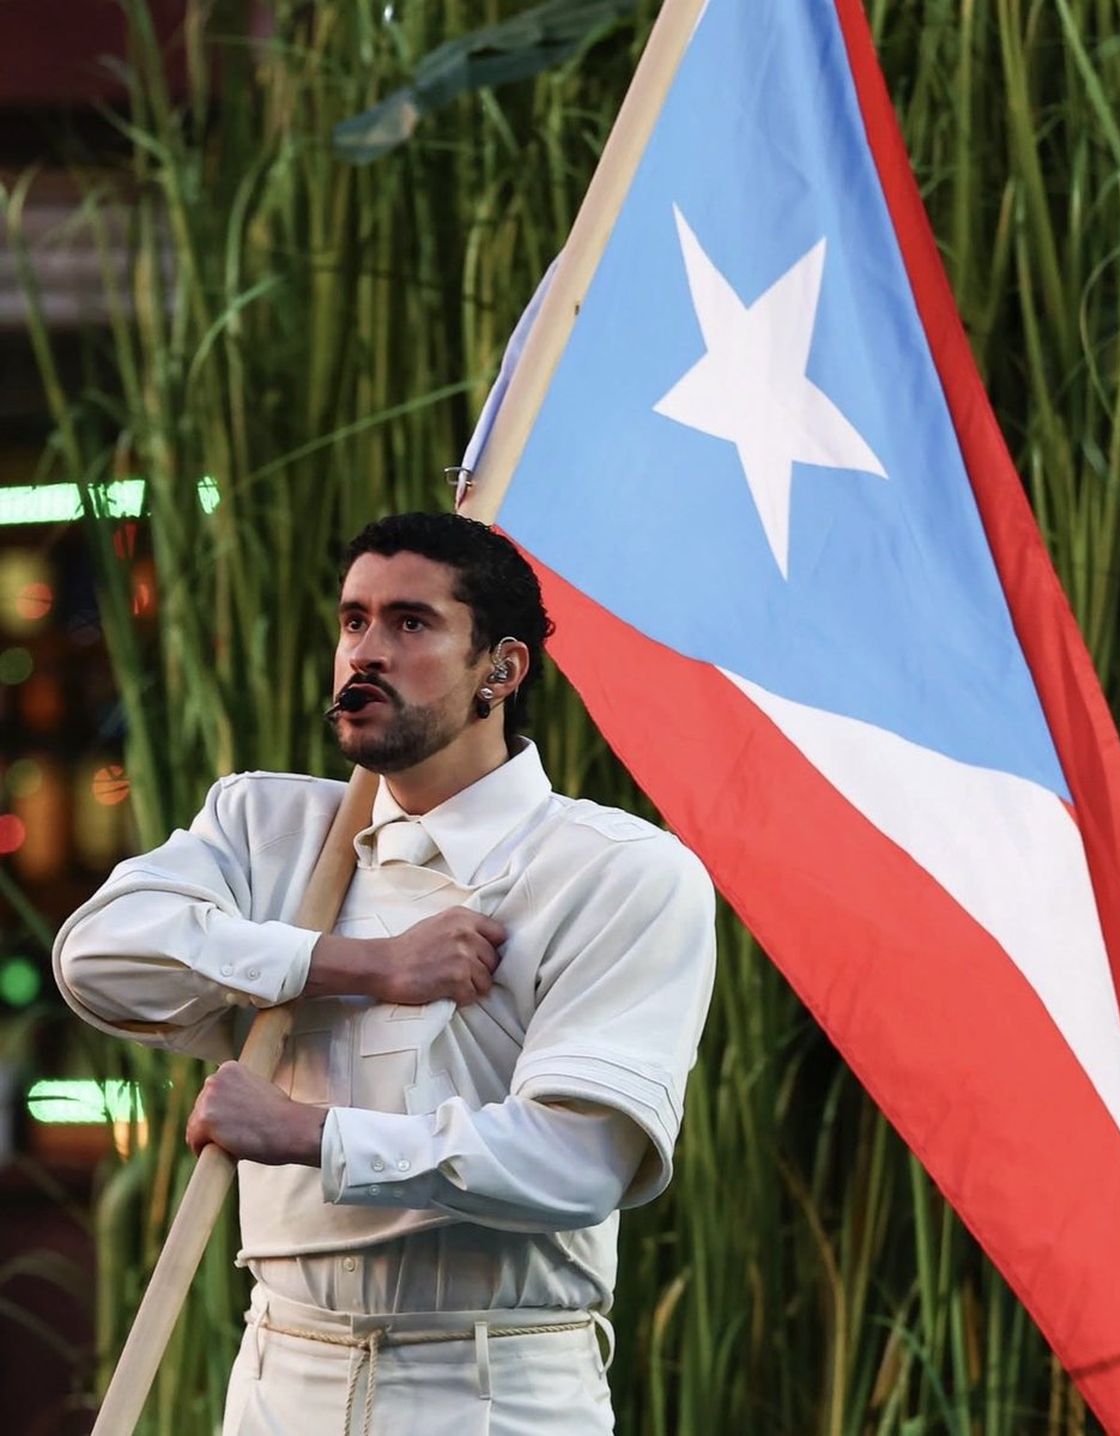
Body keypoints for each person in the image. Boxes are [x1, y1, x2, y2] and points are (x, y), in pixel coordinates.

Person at [53, 512, 716, 1436]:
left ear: (503, 669)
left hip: (492, 1385)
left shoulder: (618, 870)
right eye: (353, 620)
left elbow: (578, 1162)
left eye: (410, 624)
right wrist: (352, 965)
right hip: (278, 1372)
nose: (365, 652)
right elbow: (97, 958)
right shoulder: (265, 830)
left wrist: (308, 1133)